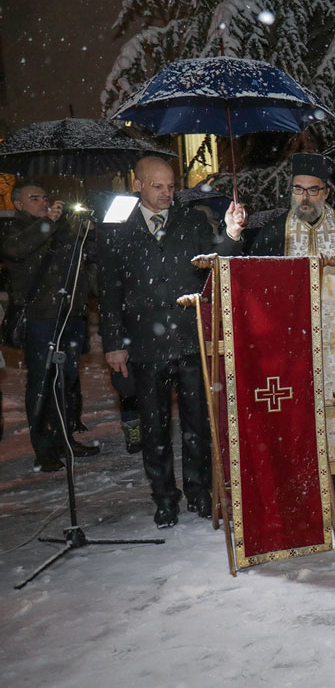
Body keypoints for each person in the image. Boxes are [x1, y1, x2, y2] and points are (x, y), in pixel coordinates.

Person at [236, 153, 335, 502]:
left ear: (326, 192)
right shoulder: (275, 233)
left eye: (313, 190)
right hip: (294, 346)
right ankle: (307, 485)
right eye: (298, 190)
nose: (305, 198)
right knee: (299, 413)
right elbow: (258, 290)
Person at [99, 157, 243, 527]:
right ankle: (164, 497)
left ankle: (199, 490)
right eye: (157, 186)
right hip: (144, 345)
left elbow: (217, 262)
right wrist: (114, 342)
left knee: (198, 423)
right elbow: (109, 292)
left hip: (190, 340)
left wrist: (230, 234)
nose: (166, 194)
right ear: (138, 185)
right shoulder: (116, 229)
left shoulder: (191, 221)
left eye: (170, 186)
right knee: (154, 427)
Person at [1, 183, 98, 472]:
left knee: (66, 382)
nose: (44, 201)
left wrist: (84, 228)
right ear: (18, 204)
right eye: (35, 198)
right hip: (40, 317)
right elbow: (16, 250)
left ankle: (64, 439)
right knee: (41, 383)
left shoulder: (60, 227)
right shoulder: (13, 230)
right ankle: (43, 449)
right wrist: (48, 222)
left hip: (70, 315)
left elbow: (81, 261)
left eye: (46, 196)